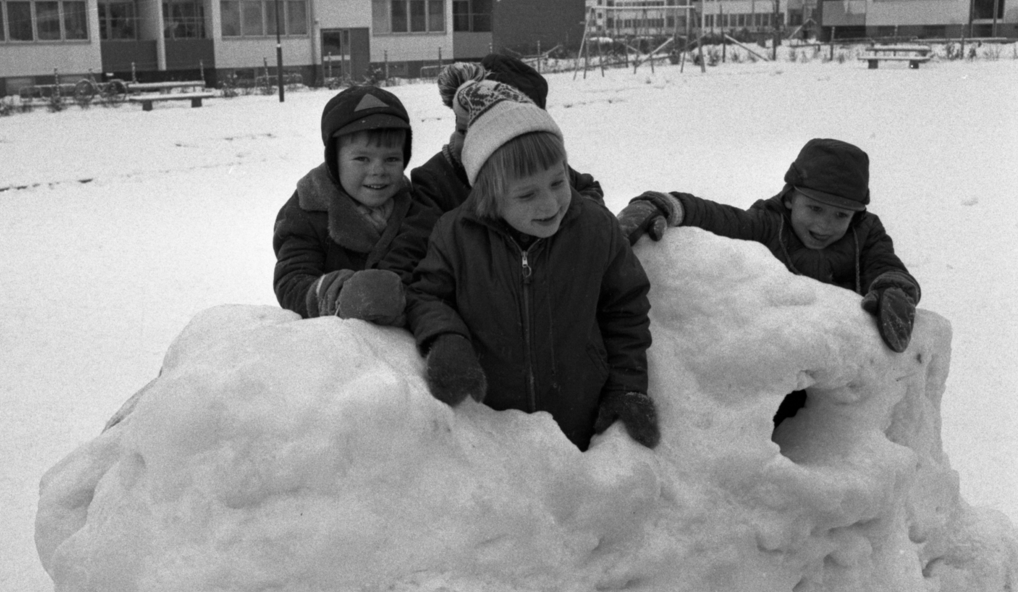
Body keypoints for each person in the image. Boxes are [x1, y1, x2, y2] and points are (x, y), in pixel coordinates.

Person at [407, 78, 659, 452]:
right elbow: (427, 295)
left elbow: (626, 310)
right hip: (493, 430)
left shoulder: (595, 229)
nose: (550, 204)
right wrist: (447, 339)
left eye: (558, 182)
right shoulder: (455, 236)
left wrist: (627, 387)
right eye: (527, 194)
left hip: (578, 420)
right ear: (490, 195)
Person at [615, 138, 920, 422]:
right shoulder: (767, 224)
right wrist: (663, 205)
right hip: (776, 363)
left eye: (841, 215)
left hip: (837, 375)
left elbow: (883, 262)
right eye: (815, 208)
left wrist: (894, 289)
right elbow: (719, 218)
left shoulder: (865, 234)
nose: (825, 225)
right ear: (790, 199)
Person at [377, 54, 605, 283]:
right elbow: (410, 250)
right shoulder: (438, 180)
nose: (471, 144)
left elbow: (587, 192)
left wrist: (568, 233)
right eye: (463, 131)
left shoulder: (540, 172)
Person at [272, 86, 414, 325]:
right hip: (336, 337)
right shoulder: (308, 211)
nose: (378, 170)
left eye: (391, 159)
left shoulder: (413, 204)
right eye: (362, 159)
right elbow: (292, 280)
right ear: (334, 160)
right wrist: (339, 295)